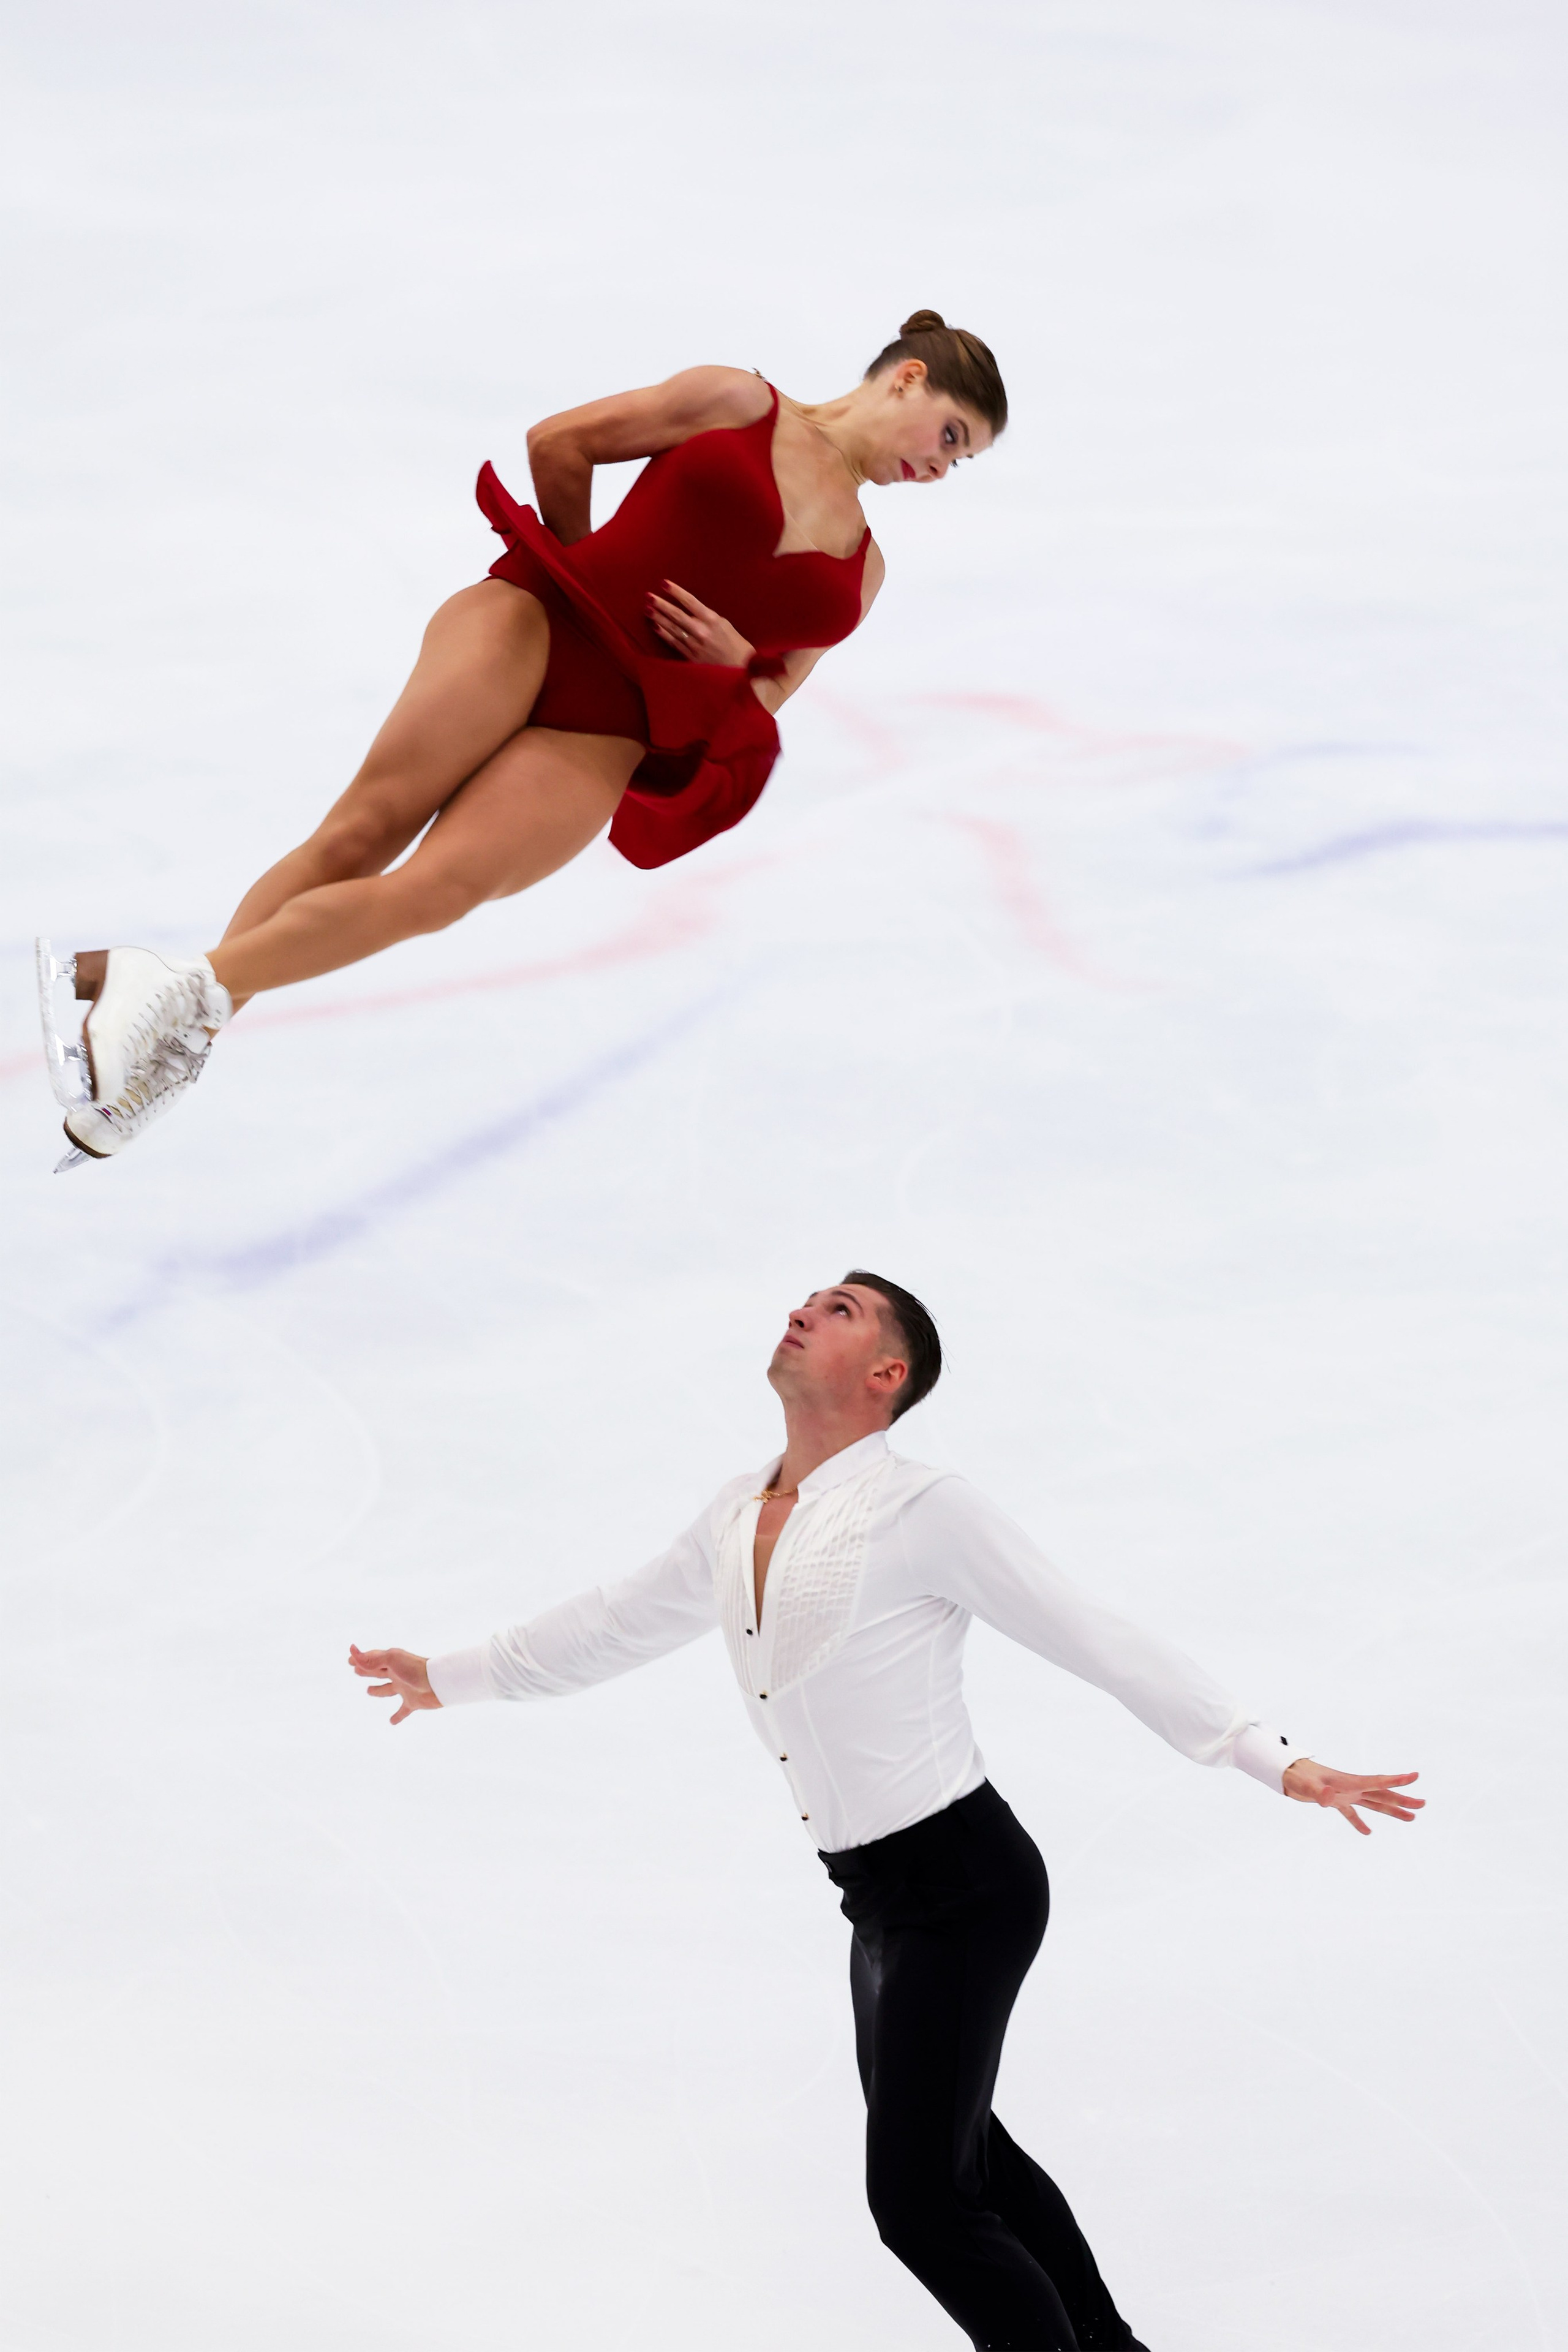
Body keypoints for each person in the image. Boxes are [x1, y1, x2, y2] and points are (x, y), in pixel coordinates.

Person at [350, 1273, 1422, 2352]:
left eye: (844, 1309)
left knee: (921, 2208)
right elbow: (614, 1622)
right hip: (881, 1904)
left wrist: (1268, 1756)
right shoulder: (739, 1510)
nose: (806, 1308)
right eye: (812, 1296)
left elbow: (1092, 1633)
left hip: (965, 1889)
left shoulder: (924, 1509)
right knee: (968, 2165)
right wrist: (454, 1674)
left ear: (885, 1376)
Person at [43, 311, 1006, 1165]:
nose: (942, 466)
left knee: (435, 893)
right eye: (952, 437)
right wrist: (592, 580)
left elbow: (767, 696)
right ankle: (160, 1057)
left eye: (962, 461)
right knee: (363, 833)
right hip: (534, 626)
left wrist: (733, 659)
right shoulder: (738, 400)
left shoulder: (865, 571)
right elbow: (562, 442)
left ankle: (156, 992)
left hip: (614, 727)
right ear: (908, 378)